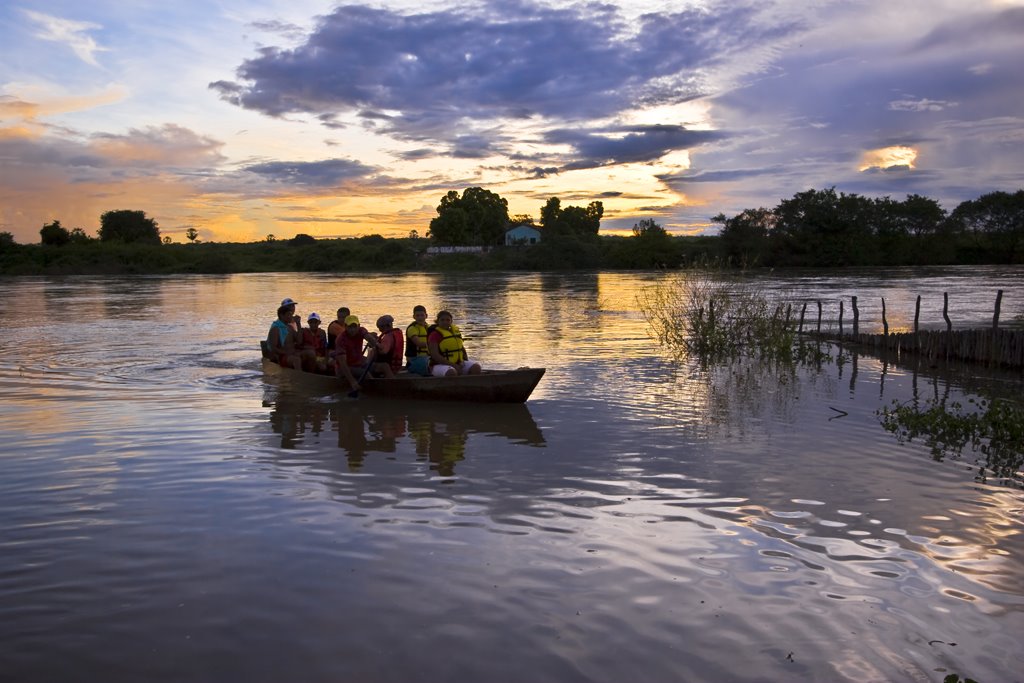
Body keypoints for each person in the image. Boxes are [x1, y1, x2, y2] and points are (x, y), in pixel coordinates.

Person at [427, 310, 481, 377]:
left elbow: (462, 349)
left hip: (457, 363)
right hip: (438, 365)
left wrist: (463, 361)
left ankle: (470, 385)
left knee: (476, 367)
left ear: (451, 321)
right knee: (451, 372)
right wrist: (453, 365)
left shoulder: (455, 333)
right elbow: (435, 355)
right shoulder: (434, 335)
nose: (445, 322)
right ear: (438, 321)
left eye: (448, 320)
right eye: (442, 320)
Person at [335, 315, 380, 392]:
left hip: (359, 363)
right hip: (344, 368)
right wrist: (352, 382)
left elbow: (368, 337)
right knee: (366, 374)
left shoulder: (361, 330)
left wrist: (377, 345)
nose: (352, 330)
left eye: (354, 327)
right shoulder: (341, 339)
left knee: (382, 366)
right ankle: (374, 392)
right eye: (350, 327)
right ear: (345, 327)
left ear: (358, 326)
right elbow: (343, 364)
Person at [266, 304, 315, 370]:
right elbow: (273, 348)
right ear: (282, 315)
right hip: (283, 356)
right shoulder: (276, 329)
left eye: (291, 314)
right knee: (296, 360)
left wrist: (298, 324)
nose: (291, 317)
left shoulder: (290, 327)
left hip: (293, 353)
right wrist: (287, 353)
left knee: (311, 353)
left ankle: (311, 374)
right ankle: (299, 377)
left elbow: (299, 341)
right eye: (288, 314)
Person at [405, 305, 431, 376]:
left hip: (427, 357)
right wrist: (434, 344)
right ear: (414, 317)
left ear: (426, 316)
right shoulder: (412, 328)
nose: (420, 318)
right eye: (417, 315)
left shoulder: (428, 327)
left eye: (422, 315)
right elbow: (419, 343)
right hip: (414, 360)